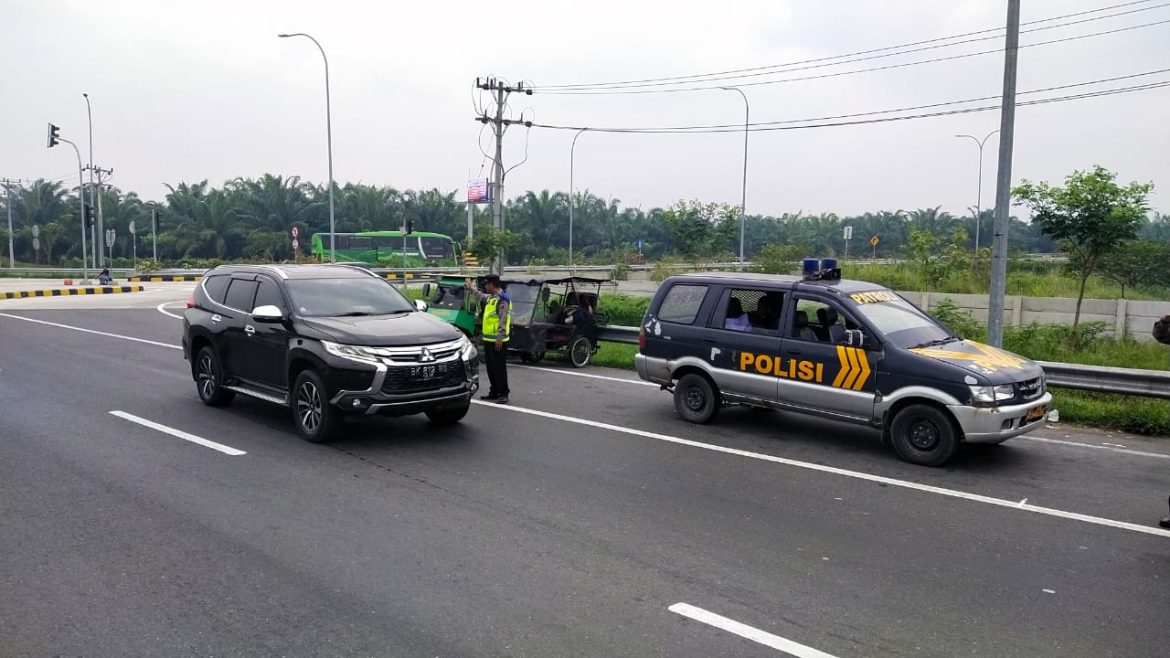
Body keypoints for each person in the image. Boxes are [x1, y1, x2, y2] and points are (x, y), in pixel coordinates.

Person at [466, 275, 510, 404]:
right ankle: (494, 391)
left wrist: (499, 338)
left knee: (499, 368)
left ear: (492, 284)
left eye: (486, 284)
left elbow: (503, 320)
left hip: (498, 340)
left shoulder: (502, 300)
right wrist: (471, 289)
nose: (485, 286)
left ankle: (503, 393)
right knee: (491, 368)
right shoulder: (491, 298)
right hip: (489, 340)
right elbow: (480, 296)